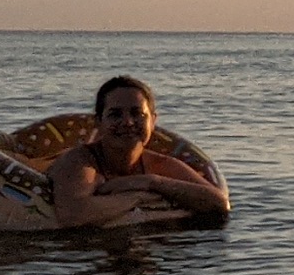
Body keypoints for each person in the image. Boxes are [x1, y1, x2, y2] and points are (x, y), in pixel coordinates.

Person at [44, 75, 230, 226]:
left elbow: (219, 203)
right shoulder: (79, 161)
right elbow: (73, 215)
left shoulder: (158, 165)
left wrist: (149, 182)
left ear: (153, 121)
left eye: (137, 114)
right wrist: (138, 197)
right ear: (99, 123)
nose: (128, 122)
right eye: (115, 114)